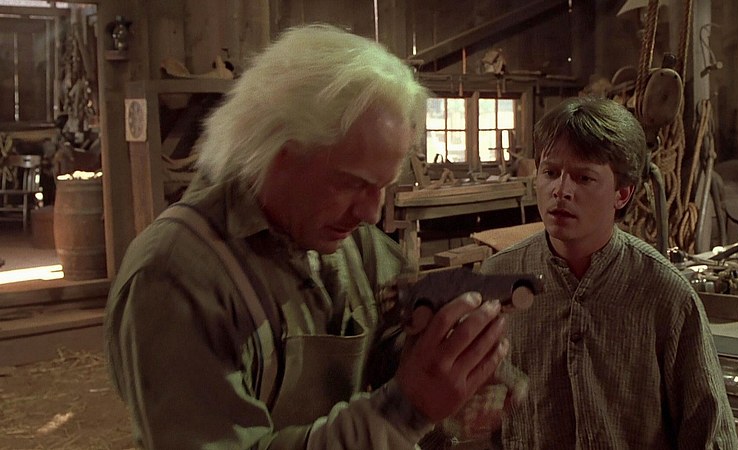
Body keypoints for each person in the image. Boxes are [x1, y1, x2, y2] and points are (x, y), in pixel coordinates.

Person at [104, 24, 509, 449]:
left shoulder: (350, 244)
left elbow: (391, 339)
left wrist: (455, 361)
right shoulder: (175, 278)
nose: (371, 214)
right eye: (353, 184)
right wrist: (404, 411)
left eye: (383, 187)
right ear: (278, 155)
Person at [480, 96, 738, 449]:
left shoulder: (665, 294)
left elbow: (710, 435)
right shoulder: (498, 280)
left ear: (622, 193)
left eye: (583, 177)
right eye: (550, 172)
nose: (561, 191)